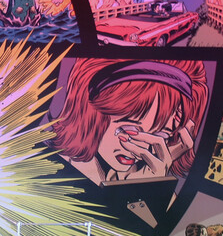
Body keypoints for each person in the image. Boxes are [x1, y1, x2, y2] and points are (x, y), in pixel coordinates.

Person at [51, 58, 209, 186]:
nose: (140, 148)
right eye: (127, 130)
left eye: (161, 135)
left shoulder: (142, 173)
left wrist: (146, 188)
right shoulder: (52, 173)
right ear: (92, 115)